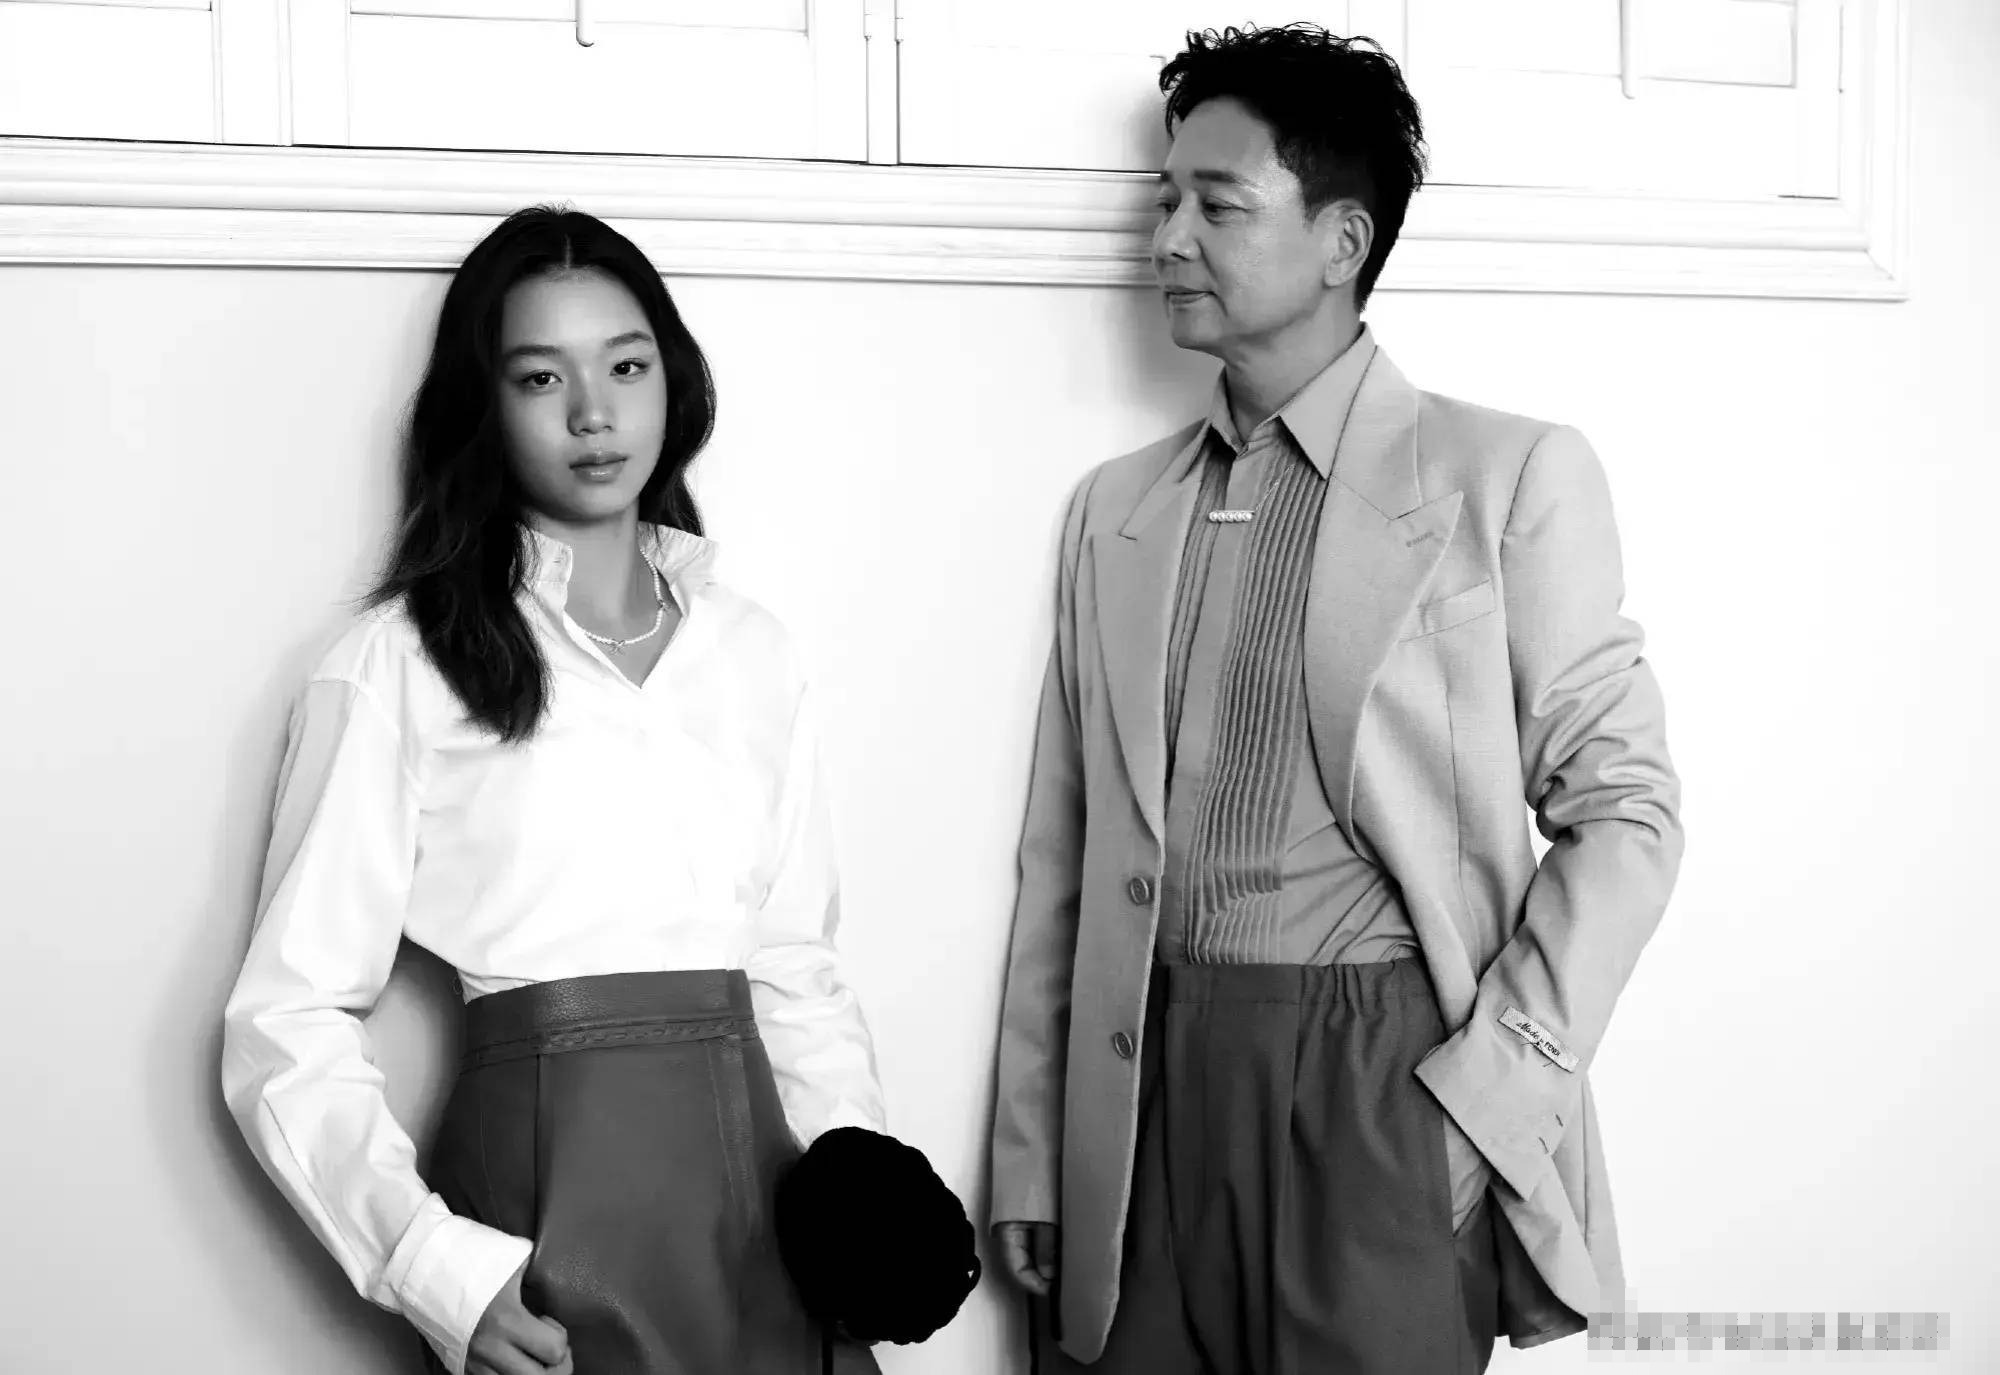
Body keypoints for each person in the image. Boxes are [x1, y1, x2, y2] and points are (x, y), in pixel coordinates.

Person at [988, 24, 1684, 1375]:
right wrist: (1037, 1147)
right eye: (1164, 202)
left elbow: (1626, 812)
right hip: (1142, 1092)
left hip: (1381, 1077)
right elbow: (1063, 856)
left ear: (1341, 239)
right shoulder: (1116, 512)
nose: (1167, 239)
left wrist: (1485, 1101)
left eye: (1217, 205)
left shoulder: (1505, 476)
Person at [222, 206, 893, 1375]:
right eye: (541, 377)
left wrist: (859, 1188)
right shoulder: (396, 664)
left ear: (673, 382)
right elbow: (285, 1016)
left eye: (625, 367)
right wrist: (434, 1266)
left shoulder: (751, 650)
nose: (593, 412)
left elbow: (794, 967)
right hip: (543, 1212)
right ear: (481, 405)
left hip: (768, 1208)